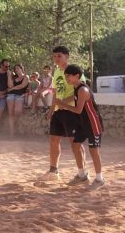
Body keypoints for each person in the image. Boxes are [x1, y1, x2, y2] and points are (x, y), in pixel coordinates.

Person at [39, 46, 86, 181]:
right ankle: (53, 171)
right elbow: (55, 93)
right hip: (58, 112)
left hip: (71, 111)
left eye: (59, 56)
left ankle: (82, 173)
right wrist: (51, 110)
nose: (56, 59)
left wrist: (65, 101)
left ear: (67, 56)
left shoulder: (75, 71)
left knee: (75, 142)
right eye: (54, 56)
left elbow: (81, 90)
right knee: (54, 140)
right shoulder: (57, 72)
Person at [56, 65, 105, 189]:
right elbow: (75, 97)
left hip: (93, 123)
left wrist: (63, 104)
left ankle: (99, 179)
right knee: (75, 145)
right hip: (83, 123)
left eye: (68, 76)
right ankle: (82, 175)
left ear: (76, 76)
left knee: (94, 151)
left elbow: (78, 110)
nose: (66, 78)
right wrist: (65, 101)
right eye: (65, 75)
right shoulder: (77, 87)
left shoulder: (83, 90)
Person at [6, 64, 29, 137]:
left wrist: (12, 89)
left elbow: (22, 86)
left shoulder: (26, 76)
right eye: (15, 69)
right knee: (10, 113)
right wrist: (9, 76)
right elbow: (10, 86)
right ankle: (12, 132)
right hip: (11, 95)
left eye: (18, 68)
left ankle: (14, 125)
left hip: (20, 95)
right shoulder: (14, 77)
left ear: (22, 69)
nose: (16, 70)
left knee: (18, 111)